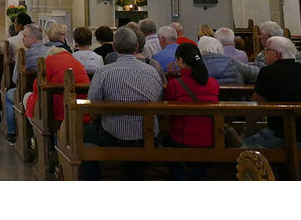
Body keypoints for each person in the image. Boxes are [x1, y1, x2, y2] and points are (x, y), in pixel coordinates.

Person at [80, 26, 164, 180]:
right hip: (148, 134)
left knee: (81, 135)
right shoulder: (152, 71)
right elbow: (159, 99)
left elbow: (92, 107)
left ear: (114, 47)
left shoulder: (104, 72)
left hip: (114, 135)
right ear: (137, 46)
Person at [241, 36, 301, 175]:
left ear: (277, 54)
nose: (264, 54)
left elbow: (255, 108)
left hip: (283, 138)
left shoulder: (267, 72)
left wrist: (247, 132)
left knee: (244, 148)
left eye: (266, 51)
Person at [162, 42, 220, 180]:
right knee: (199, 169)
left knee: (164, 145)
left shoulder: (175, 84)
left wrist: (171, 77)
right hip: (208, 139)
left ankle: (180, 178)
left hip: (182, 138)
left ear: (180, 61)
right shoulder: (213, 83)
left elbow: (168, 109)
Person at [0, 11, 34, 125]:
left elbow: (0, 52)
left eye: (16, 23)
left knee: (6, 85)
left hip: (17, 79)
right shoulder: (40, 41)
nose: (15, 26)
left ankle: (8, 127)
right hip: (33, 81)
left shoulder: (12, 41)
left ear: (20, 26)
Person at [3, 24, 47, 145]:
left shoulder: (24, 56)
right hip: (48, 94)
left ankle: (12, 134)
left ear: (33, 39)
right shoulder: (51, 51)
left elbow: (15, 79)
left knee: (9, 94)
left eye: (25, 36)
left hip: (27, 93)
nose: (22, 39)